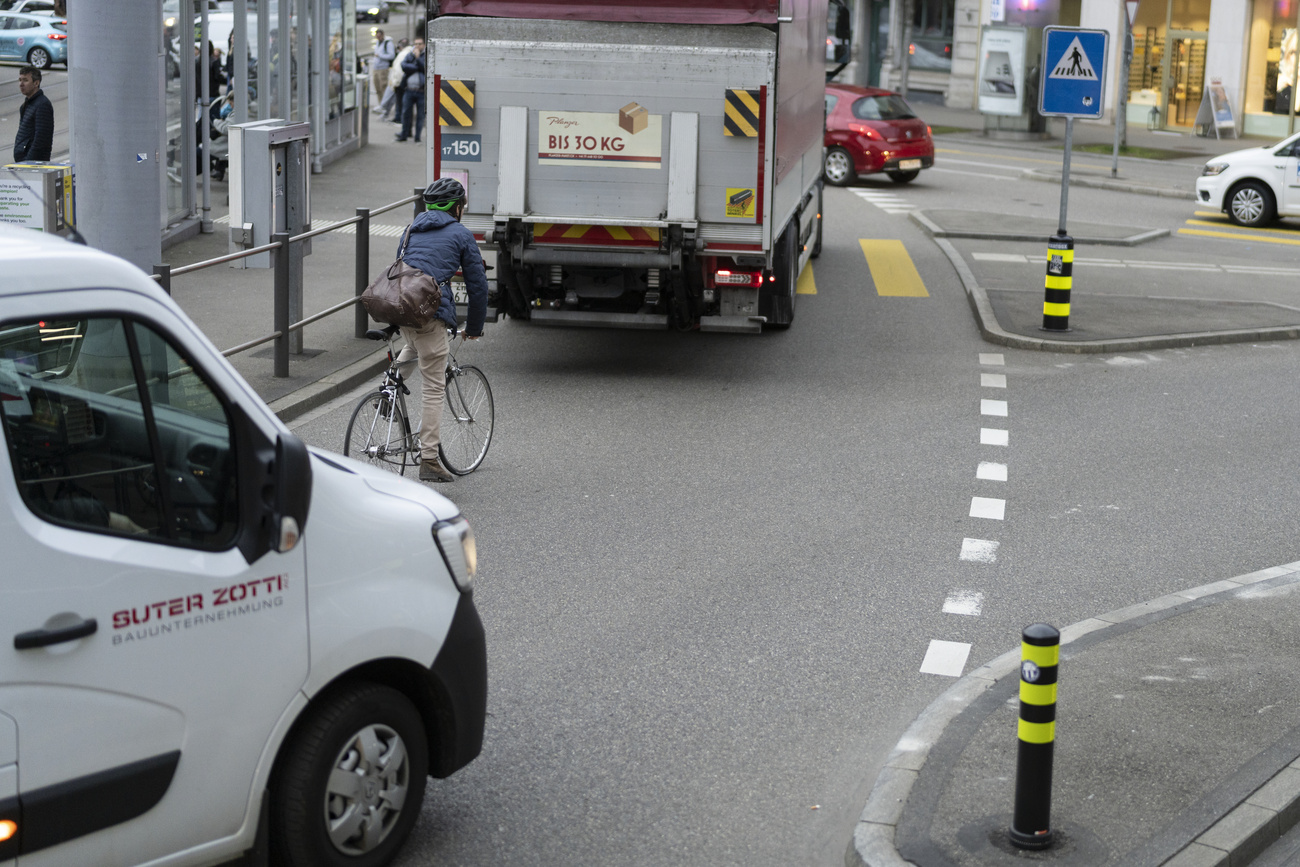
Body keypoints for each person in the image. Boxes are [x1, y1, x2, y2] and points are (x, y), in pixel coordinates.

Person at [396, 178, 489, 483]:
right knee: (434, 386)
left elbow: (400, 269)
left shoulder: (411, 229)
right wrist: (474, 328)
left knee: (415, 343)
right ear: (456, 208)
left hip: (402, 309)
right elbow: (477, 286)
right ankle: (429, 460)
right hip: (430, 313)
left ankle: (389, 390)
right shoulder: (461, 234)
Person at [14, 66, 53, 163]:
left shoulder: (42, 105)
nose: (21, 84)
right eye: (20, 80)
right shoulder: (26, 105)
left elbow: (41, 139)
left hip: (34, 164)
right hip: (24, 162)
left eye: (25, 80)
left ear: (36, 83)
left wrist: (28, 161)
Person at [395, 37, 426, 143]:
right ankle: (404, 134)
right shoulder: (409, 55)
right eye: (415, 44)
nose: (417, 46)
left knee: (420, 115)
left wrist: (417, 58)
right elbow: (404, 66)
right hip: (409, 90)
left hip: (421, 91)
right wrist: (416, 67)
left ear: (424, 45)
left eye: (419, 44)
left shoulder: (426, 56)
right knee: (406, 113)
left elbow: (425, 68)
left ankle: (417, 137)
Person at [381, 37, 411, 122]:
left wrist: (396, 83)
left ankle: (398, 118)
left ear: (400, 47)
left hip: (399, 82)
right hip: (404, 82)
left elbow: (398, 70)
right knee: (401, 102)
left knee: (399, 102)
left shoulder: (402, 54)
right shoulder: (409, 53)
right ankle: (399, 118)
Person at [370, 28, 395, 114]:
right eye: (377, 36)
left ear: (383, 35)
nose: (378, 38)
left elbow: (391, 55)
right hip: (376, 68)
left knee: (383, 87)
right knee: (377, 87)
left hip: (383, 68)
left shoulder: (388, 43)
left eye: (379, 36)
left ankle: (385, 106)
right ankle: (380, 105)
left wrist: (380, 55)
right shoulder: (378, 42)